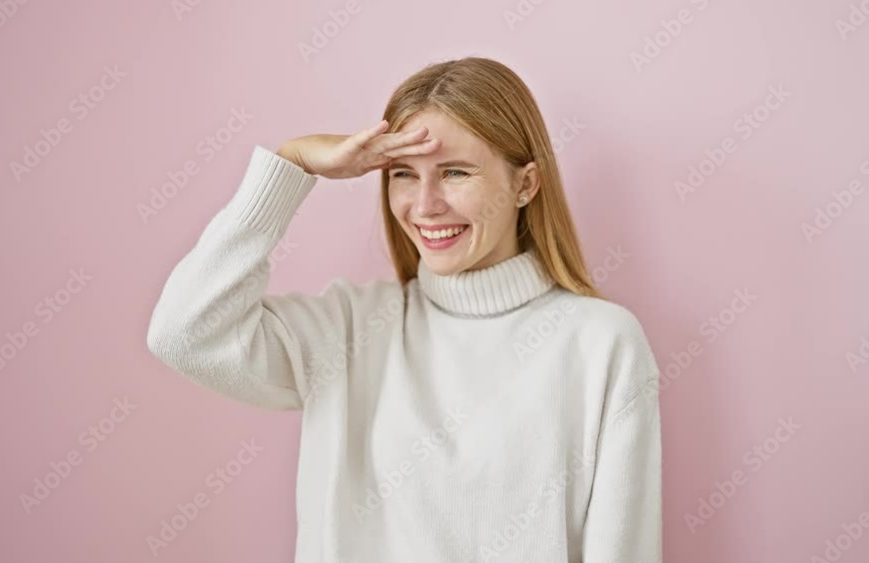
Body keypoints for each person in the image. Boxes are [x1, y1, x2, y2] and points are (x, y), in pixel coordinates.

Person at [146, 56, 662, 563]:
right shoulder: (348, 330)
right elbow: (184, 334)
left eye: (455, 172)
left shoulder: (601, 344)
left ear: (525, 184)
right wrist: (292, 165)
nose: (424, 205)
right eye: (403, 174)